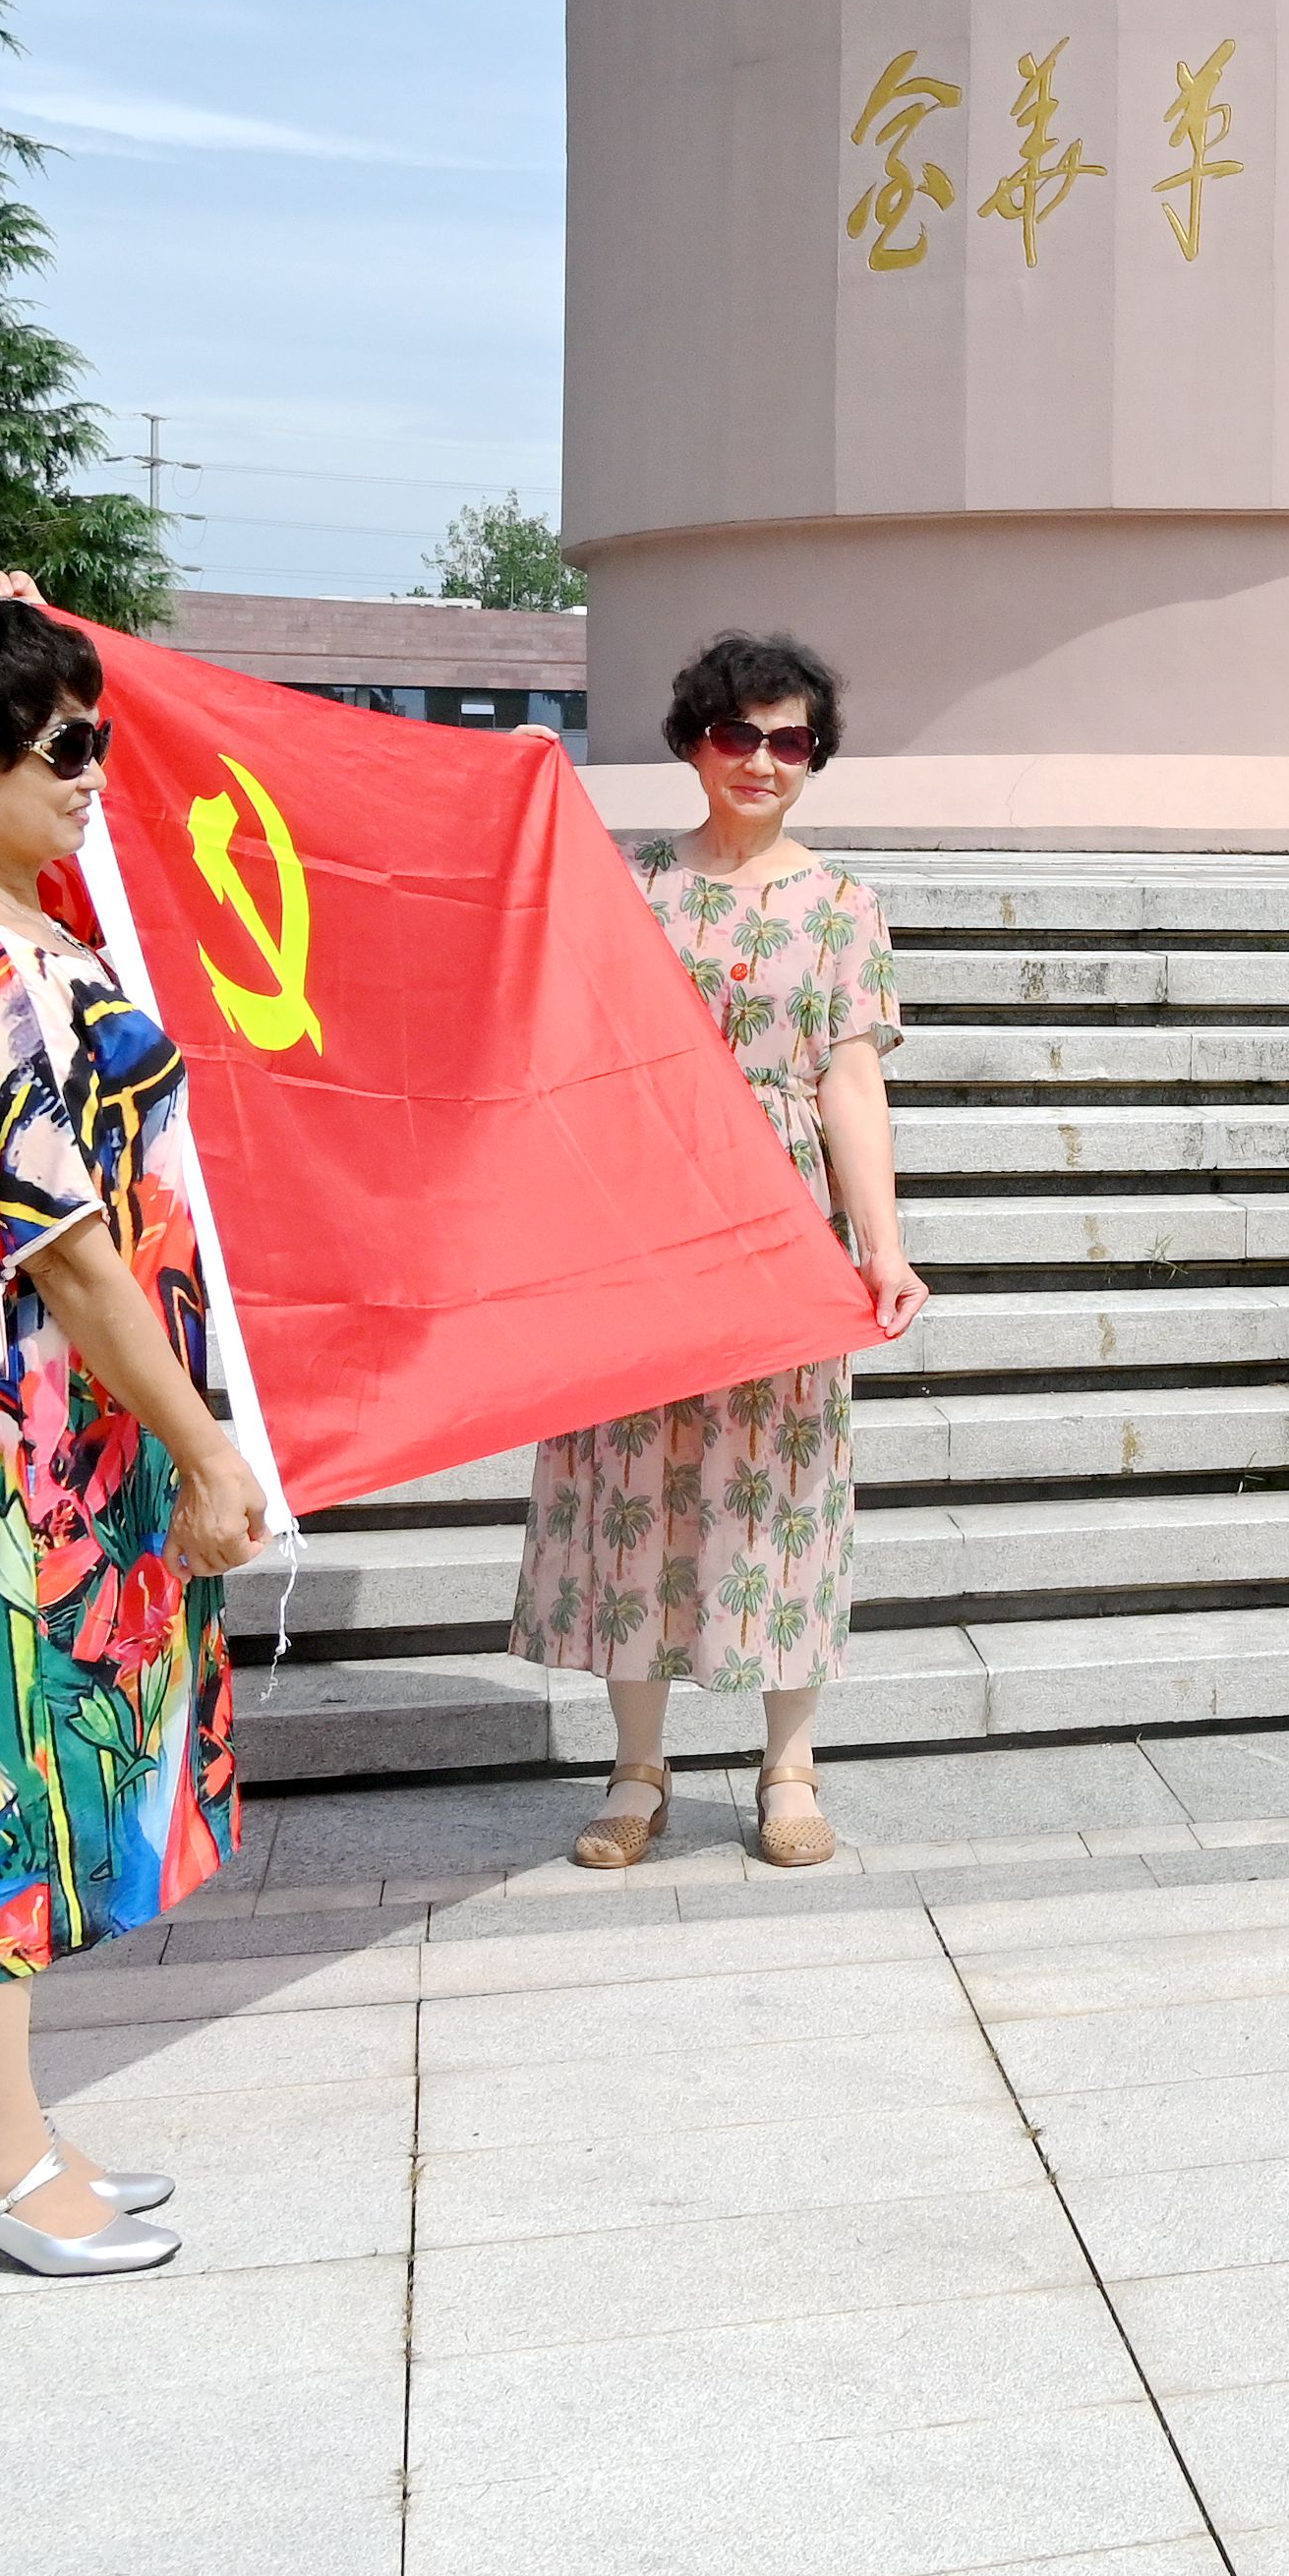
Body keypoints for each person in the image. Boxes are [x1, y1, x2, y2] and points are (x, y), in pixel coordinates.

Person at [0, 592, 264, 2275]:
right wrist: (206, 1448)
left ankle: (11, 2125)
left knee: (51, 1749)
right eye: (66, 748)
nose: (97, 771)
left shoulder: (26, 919)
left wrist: (7, 623)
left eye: (94, 737)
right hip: (20, 1415)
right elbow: (73, 1250)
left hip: (78, 1405)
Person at [517, 634, 931, 1872]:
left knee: (784, 1488)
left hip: (782, 1227)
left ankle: (788, 1765)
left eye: (789, 739)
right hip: (644, 1217)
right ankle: (636, 1767)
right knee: (633, 1486)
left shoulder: (844, 906)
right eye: (736, 734)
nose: (761, 760)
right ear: (694, 741)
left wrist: (883, 1247)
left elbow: (850, 1083)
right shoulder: (630, 886)